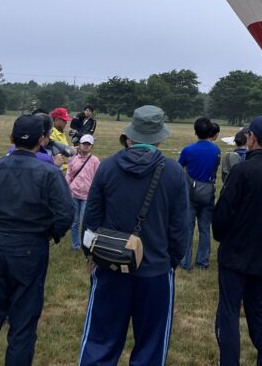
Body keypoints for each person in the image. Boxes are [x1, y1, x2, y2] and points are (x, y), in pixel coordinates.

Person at [0, 114, 74, 366]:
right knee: (23, 324)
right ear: (42, 140)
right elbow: (66, 214)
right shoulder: (49, 173)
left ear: (11, 138)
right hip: (31, 250)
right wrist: (50, 232)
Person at [77, 105, 188, 366]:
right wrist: (170, 261)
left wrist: (89, 253)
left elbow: (91, 219)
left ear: (130, 136)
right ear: (159, 138)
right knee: (151, 346)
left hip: (109, 264)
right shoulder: (174, 173)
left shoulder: (107, 167)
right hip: (156, 271)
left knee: (100, 341)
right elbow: (181, 228)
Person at [212, 115, 262, 366]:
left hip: (235, 252)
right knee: (258, 310)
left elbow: (223, 212)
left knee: (229, 311)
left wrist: (221, 235)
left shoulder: (242, 171)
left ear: (252, 138)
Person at [179, 116, 221, 270]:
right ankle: (202, 261)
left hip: (190, 194)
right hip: (208, 193)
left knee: (188, 229)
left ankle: (185, 262)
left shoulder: (188, 150)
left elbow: (179, 168)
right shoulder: (216, 150)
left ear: (195, 132)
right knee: (204, 229)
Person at [66, 134, 100, 252]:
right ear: (79, 144)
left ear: (91, 146)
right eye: (84, 144)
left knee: (87, 222)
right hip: (74, 194)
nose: (86, 147)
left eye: (88, 144)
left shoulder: (95, 160)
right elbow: (69, 175)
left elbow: (97, 178)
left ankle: (88, 246)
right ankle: (76, 245)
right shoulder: (73, 159)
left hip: (87, 196)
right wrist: (67, 189)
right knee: (74, 222)